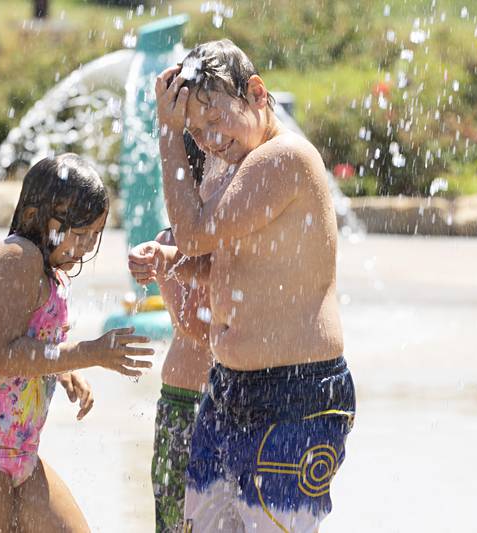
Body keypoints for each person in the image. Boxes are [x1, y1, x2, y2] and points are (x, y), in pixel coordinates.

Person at [132, 39, 356, 532]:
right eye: (195, 129)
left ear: (256, 93)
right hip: (227, 388)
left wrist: (169, 135)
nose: (208, 140)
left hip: (294, 392)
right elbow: (223, 264)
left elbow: (193, 232)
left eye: (215, 121)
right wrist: (172, 260)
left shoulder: (284, 158)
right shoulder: (232, 164)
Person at [0, 154, 154, 533]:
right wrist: (88, 352)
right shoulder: (17, 257)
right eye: (78, 234)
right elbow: (1, 355)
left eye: (94, 236)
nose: (85, 247)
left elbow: (33, 342)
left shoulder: (51, 272)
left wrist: (64, 370)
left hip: (20, 455)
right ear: (34, 213)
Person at [129, 134, 217, 533]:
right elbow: (196, 327)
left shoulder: (238, 239)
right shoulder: (168, 243)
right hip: (186, 403)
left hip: (235, 398)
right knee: (176, 521)